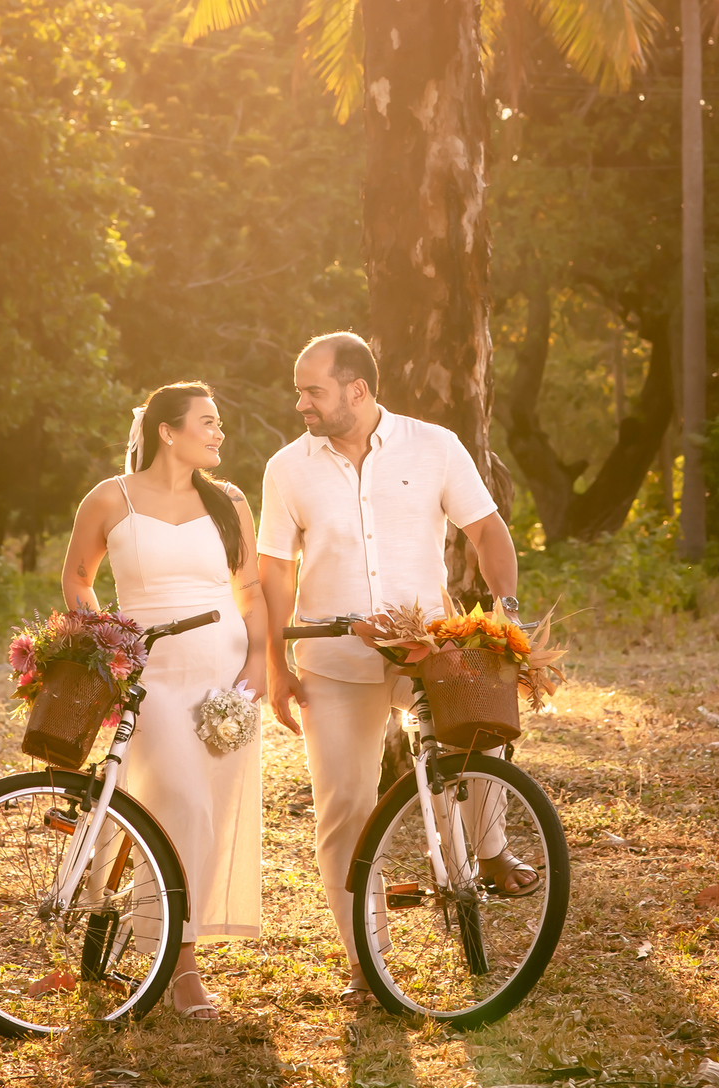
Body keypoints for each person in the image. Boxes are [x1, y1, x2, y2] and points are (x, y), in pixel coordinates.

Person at [257, 331, 527, 1008]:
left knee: (473, 747)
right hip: (332, 659)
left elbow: (486, 530)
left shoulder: (434, 445)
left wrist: (506, 613)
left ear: (358, 388)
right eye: (299, 391)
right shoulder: (287, 468)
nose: (301, 404)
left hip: (427, 645)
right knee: (343, 807)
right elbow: (273, 572)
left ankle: (488, 845)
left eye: (312, 390)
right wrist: (274, 661)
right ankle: (366, 960)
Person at [62, 382, 266, 1021]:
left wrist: (260, 661)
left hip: (222, 679)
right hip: (152, 677)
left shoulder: (229, 502)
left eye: (219, 421)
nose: (219, 432)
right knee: (176, 802)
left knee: (206, 814)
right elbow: (77, 578)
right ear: (166, 431)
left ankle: (167, 952)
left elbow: (251, 588)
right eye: (207, 421)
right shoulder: (109, 498)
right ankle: (180, 968)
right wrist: (106, 646)